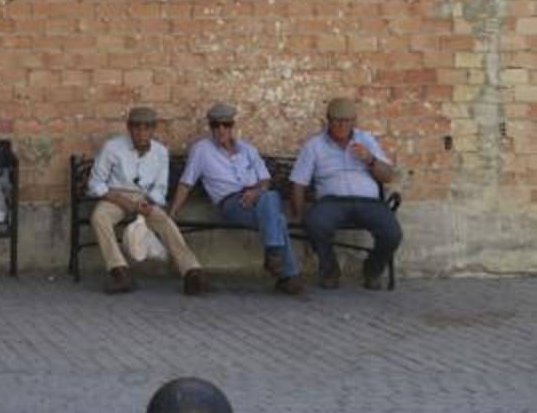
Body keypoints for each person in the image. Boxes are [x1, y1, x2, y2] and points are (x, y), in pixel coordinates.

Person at [170, 102, 305, 295]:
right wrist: (173, 212)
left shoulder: (247, 149)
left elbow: (265, 180)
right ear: (210, 127)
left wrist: (255, 192)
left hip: (258, 200)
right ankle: (284, 268)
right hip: (232, 204)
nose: (220, 130)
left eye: (225, 125)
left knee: (272, 203)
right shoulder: (201, 150)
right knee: (275, 214)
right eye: (215, 125)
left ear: (232, 126)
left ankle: (283, 270)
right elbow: (186, 183)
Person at [88, 106, 211, 296]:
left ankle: (192, 272)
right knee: (99, 217)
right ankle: (120, 272)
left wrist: (149, 203)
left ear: (153, 129)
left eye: (146, 128)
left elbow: (160, 187)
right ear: (129, 128)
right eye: (136, 127)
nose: (141, 132)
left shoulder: (160, 152)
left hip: (145, 198)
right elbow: (96, 183)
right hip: (116, 196)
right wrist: (122, 200)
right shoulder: (113, 147)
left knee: (165, 222)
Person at [291, 98, 402, 291]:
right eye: (336, 121)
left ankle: (372, 270)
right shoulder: (314, 145)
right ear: (328, 120)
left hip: (369, 202)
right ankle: (330, 270)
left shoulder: (366, 140)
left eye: (347, 121)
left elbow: (388, 176)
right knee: (315, 222)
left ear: (354, 121)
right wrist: (299, 214)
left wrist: (370, 160)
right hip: (332, 202)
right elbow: (298, 183)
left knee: (392, 233)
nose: (341, 125)